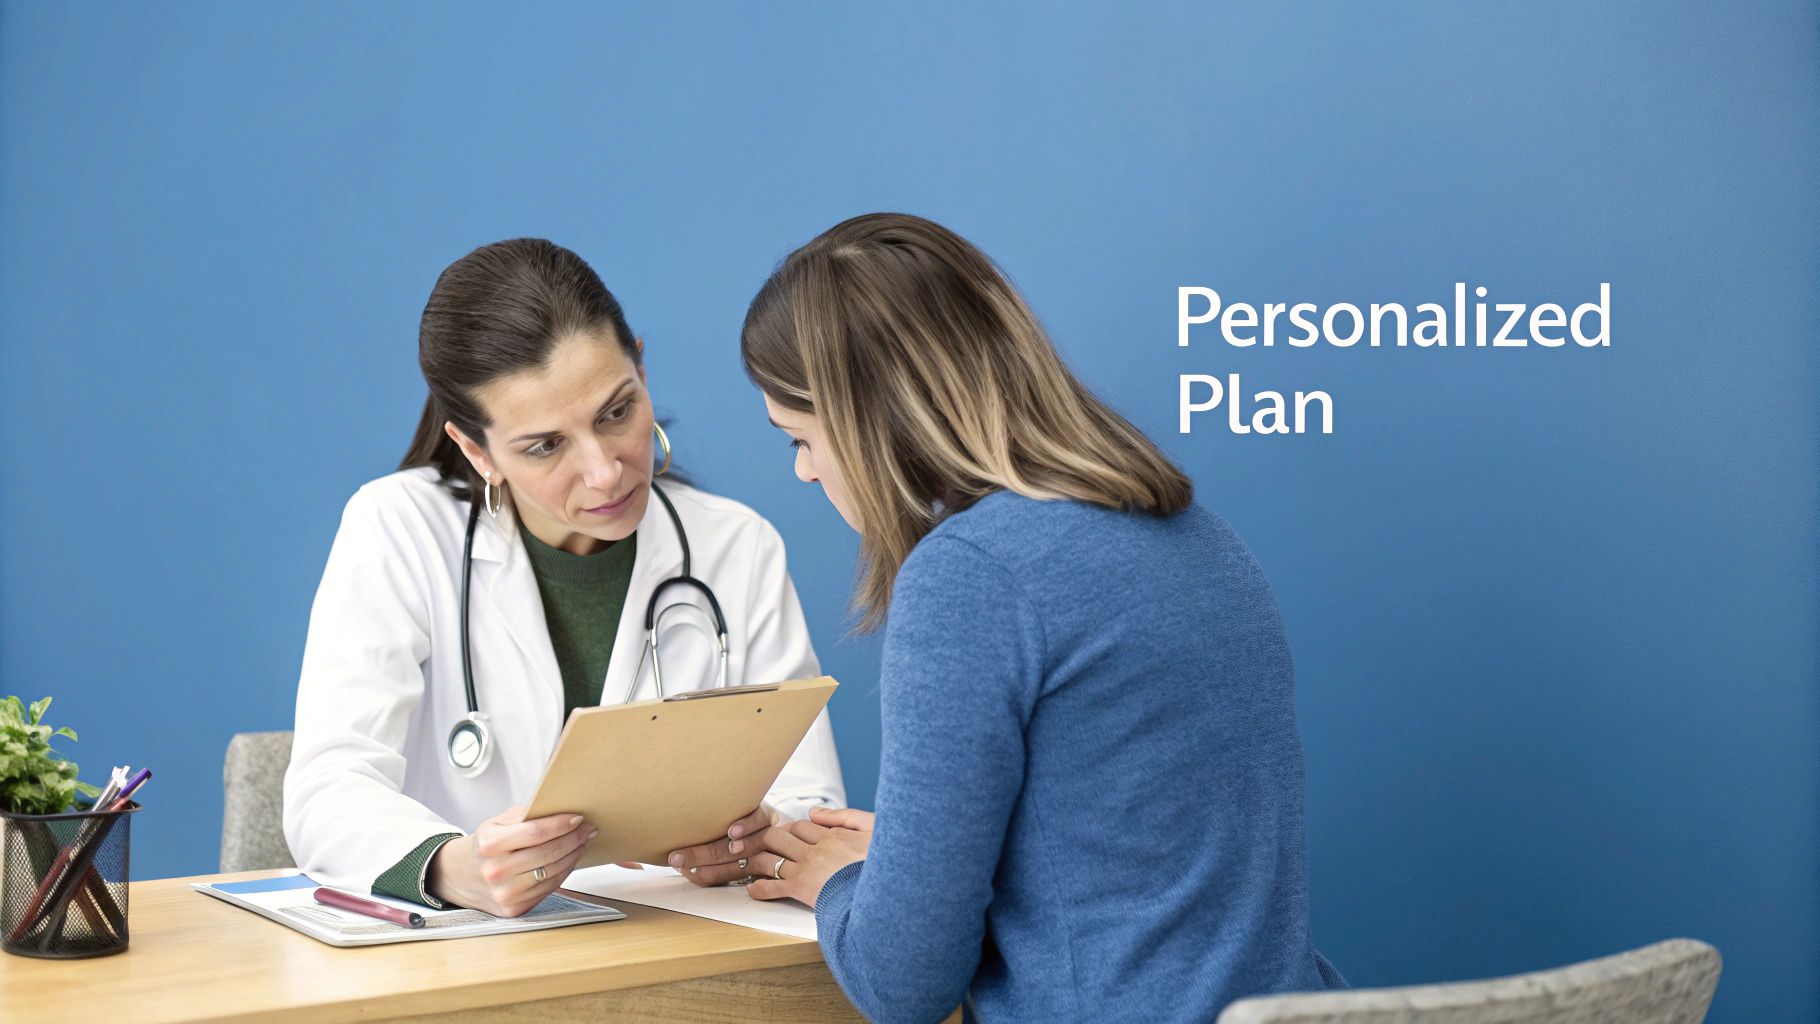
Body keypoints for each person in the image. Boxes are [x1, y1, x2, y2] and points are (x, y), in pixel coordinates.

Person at [721, 214, 1344, 1020]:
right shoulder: (1199, 535)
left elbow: (901, 984)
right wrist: (912, 866)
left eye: (801, 438)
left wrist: (843, 882)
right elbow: (1127, 868)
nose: (805, 471)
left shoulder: (969, 577)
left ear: (865, 420)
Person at [283, 238, 843, 917]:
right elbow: (327, 788)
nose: (605, 471)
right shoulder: (398, 528)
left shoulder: (736, 547)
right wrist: (452, 866)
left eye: (616, 411)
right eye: (545, 446)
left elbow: (811, 806)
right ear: (474, 448)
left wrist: (755, 837)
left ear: (640, 363)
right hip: (464, 966)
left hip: (677, 951)